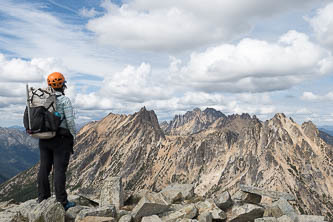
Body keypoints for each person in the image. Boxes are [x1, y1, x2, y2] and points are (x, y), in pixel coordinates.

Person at [37, 72, 76, 210]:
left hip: (44, 138)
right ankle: (62, 202)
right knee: (59, 170)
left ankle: (42, 198)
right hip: (61, 139)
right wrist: (73, 136)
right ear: (63, 85)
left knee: (44, 168)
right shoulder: (65, 101)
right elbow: (70, 121)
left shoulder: (43, 99)